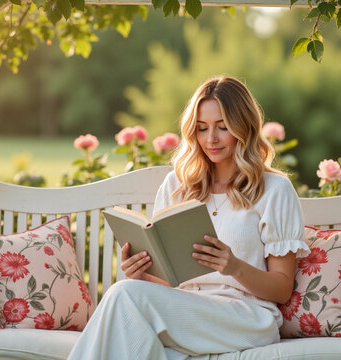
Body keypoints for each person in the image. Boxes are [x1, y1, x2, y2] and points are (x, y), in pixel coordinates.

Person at [67, 76, 310, 360]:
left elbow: (281, 289)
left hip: (246, 317)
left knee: (123, 296)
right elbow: (168, 284)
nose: (211, 139)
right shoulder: (177, 186)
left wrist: (234, 266)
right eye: (202, 128)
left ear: (244, 127)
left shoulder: (273, 190)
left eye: (222, 127)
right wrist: (142, 273)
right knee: (131, 308)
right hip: (185, 313)